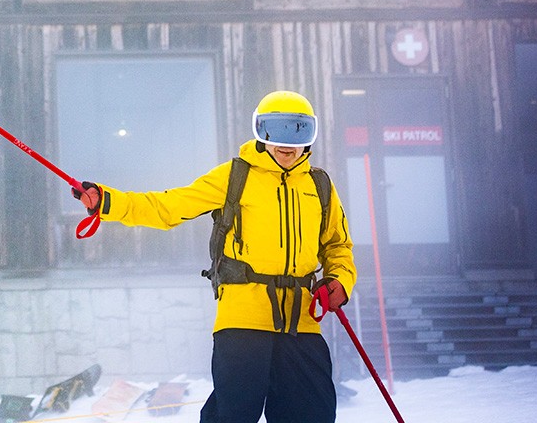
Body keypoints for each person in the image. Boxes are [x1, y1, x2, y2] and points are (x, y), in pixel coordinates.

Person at [72, 90, 356, 423]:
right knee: (232, 415)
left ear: (310, 135)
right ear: (259, 132)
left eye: (298, 130)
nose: (285, 142)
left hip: (301, 323)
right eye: (273, 129)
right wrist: (108, 202)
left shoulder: (319, 185)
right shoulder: (236, 176)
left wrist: (339, 280)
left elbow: (338, 245)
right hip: (243, 320)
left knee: (313, 413)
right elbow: (169, 207)